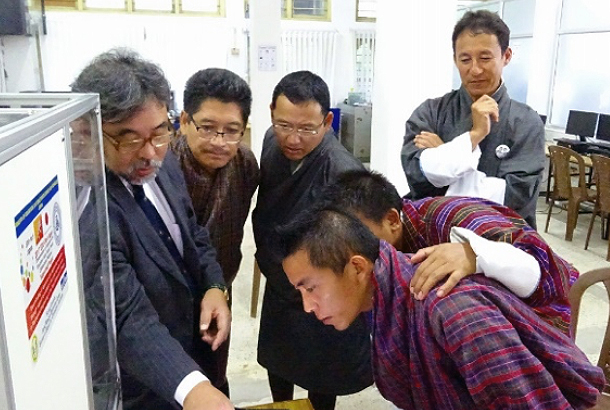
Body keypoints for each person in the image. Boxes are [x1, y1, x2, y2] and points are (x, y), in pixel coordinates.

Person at [278, 207, 605, 410]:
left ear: (358, 267)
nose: (308, 306)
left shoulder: (453, 311)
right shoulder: (386, 293)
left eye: (310, 287)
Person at [71, 48, 233, 410]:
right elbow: (127, 316)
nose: (149, 153)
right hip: (148, 384)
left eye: (159, 133)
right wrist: (191, 388)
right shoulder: (92, 210)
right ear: (88, 132)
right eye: (128, 139)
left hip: (196, 349)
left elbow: (193, 233)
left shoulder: (164, 159)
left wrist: (213, 286)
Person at [322, 169, 577, 335]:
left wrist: (475, 255)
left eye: (359, 237)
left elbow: (542, 271)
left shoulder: (450, 219)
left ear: (392, 220)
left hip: (545, 311)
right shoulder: (387, 255)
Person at [252, 70, 371, 409]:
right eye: (284, 124)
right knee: (279, 358)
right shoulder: (270, 141)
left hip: (316, 286)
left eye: (307, 128)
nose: (293, 138)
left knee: (321, 367)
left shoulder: (341, 169)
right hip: (277, 272)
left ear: (327, 121)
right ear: (272, 112)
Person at [400, 10, 545, 229]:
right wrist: (474, 136)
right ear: (455, 60)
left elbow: (514, 199)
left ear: (506, 56)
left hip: (499, 241)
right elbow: (418, 180)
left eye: (485, 58)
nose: (475, 69)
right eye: (465, 59)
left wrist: (446, 156)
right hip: (431, 232)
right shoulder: (430, 111)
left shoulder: (526, 122)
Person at [170, 68, 260, 394]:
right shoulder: (161, 168)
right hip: (169, 299)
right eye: (207, 128)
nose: (218, 142)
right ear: (183, 121)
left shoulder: (246, 166)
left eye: (231, 131)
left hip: (221, 287)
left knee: (214, 371)